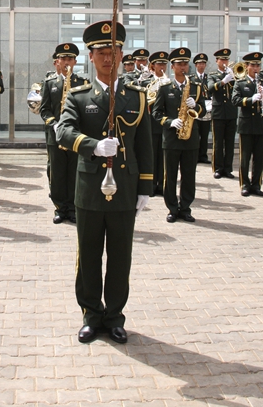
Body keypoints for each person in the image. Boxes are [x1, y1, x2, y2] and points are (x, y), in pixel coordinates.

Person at [56, 20, 153, 345]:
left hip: (124, 187)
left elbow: (145, 146)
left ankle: (114, 316)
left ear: (121, 53)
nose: (108, 58)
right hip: (90, 189)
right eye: (101, 52)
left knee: (120, 255)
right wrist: (93, 145)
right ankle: (90, 314)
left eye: (113, 51)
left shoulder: (137, 98)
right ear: (91, 56)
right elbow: (63, 132)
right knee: (89, 254)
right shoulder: (79, 96)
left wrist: (145, 187)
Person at [152, 47, 206, 222]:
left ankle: (186, 208)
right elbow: (156, 113)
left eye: (185, 64)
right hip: (171, 139)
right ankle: (172, 208)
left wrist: (196, 107)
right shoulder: (165, 87)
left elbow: (204, 111)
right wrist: (169, 122)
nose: (183, 67)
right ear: (172, 67)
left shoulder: (196, 88)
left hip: (190, 138)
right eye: (179, 64)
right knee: (170, 175)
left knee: (189, 175)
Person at [39, 43, 87, 224]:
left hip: (74, 135)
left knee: (74, 171)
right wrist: (53, 123)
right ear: (56, 62)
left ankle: (73, 207)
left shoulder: (82, 83)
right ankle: (60, 207)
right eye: (63, 59)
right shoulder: (49, 83)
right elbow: (44, 110)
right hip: (55, 134)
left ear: (75, 61)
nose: (67, 62)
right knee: (56, 172)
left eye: (70, 59)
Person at [231, 52, 263, 197]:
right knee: (245, 157)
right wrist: (251, 99)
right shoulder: (240, 83)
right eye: (253, 65)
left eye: (258, 65)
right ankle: (245, 184)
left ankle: (256, 184)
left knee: (259, 158)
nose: (256, 68)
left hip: (261, 124)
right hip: (246, 125)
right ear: (246, 67)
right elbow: (235, 100)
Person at [209, 49, 237, 179]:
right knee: (218, 142)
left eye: (226, 60)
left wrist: (234, 78)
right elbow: (209, 88)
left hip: (231, 112)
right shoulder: (213, 75)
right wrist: (223, 81)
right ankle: (218, 168)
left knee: (230, 142)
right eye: (222, 60)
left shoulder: (233, 75)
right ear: (217, 61)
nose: (225, 62)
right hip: (219, 112)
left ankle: (228, 168)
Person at [146, 50, 169, 197]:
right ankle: (152, 184)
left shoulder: (169, 82)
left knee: (163, 157)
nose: (162, 66)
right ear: (153, 66)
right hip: (151, 123)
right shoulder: (146, 81)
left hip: (166, 123)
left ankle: (162, 184)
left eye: (164, 64)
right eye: (159, 64)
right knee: (152, 155)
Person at [192, 52, 212, 164]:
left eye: (203, 63)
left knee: (205, 134)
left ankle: (203, 155)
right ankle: (195, 155)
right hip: (195, 108)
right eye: (199, 63)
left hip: (207, 109)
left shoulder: (208, 78)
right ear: (195, 65)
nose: (201, 65)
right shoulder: (191, 77)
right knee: (195, 134)